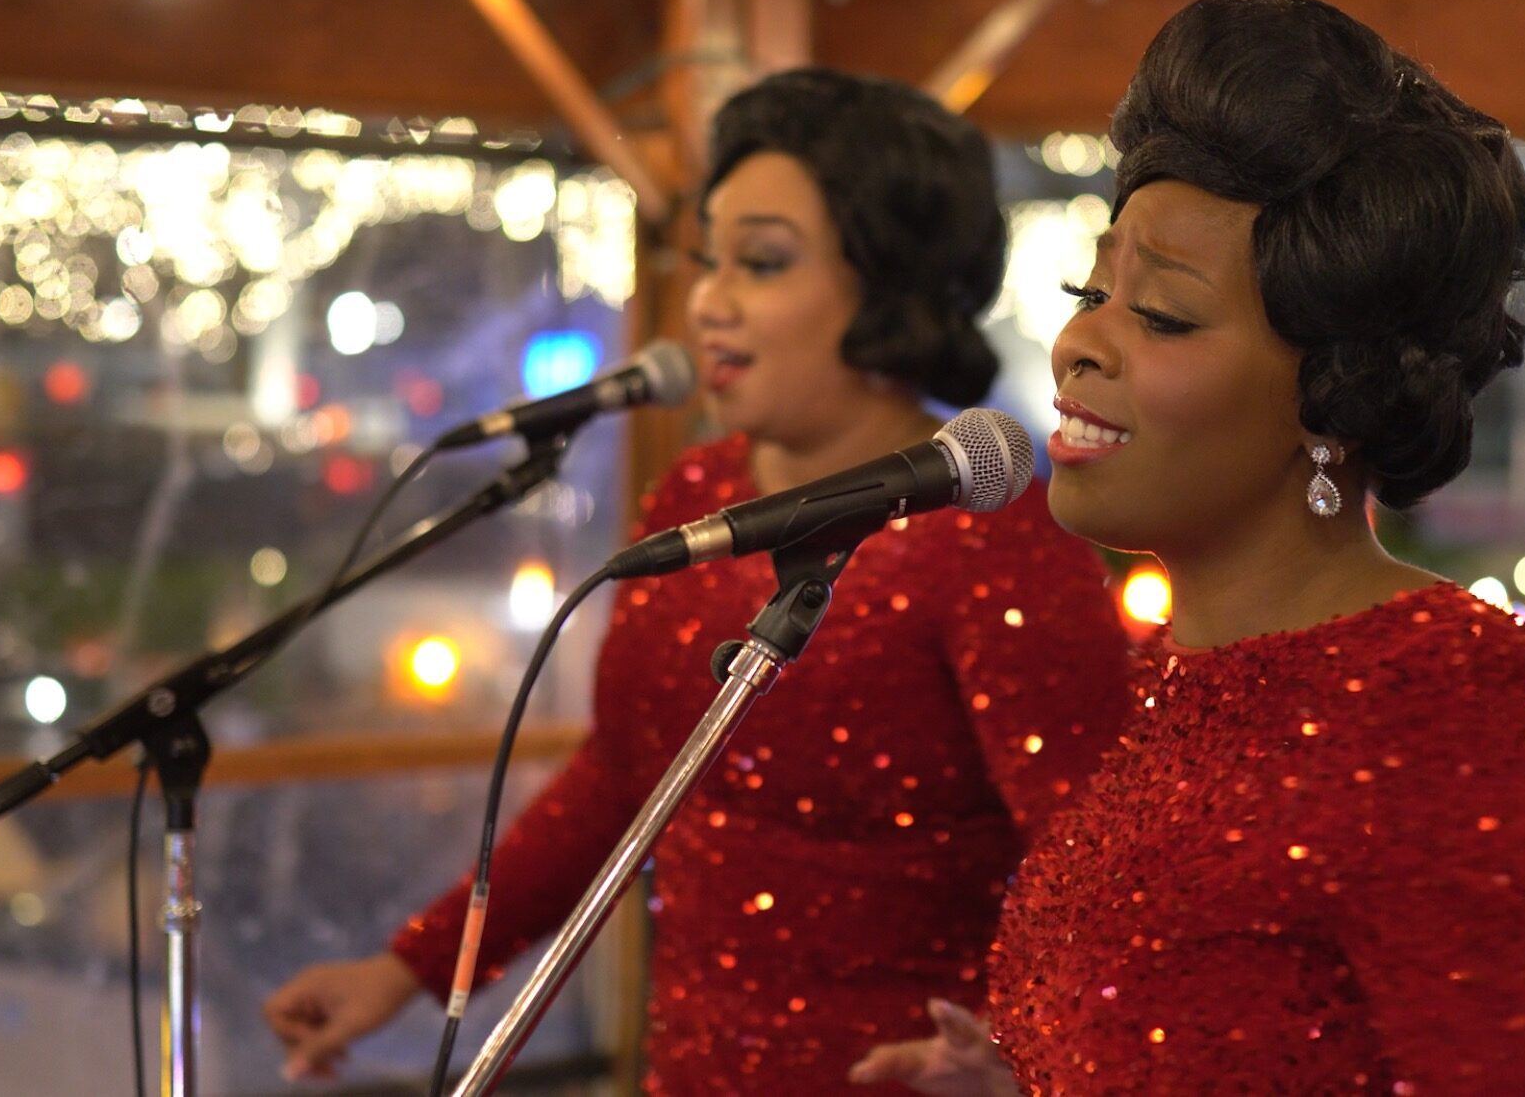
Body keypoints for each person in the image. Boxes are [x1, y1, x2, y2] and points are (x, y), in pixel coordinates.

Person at [264, 67, 1132, 1093]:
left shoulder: (994, 544)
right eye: (704, 259)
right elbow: (623, 780)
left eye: (760, 263)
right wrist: (412, 966)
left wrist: (1020, 1050)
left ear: (890, 284)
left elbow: (1103, 883)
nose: (706, 302)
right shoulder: (697, 492)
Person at [850, 0, 1525, 1095]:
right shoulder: (1175, 682)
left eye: (1157, 314)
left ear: (1329, 391)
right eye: (1090, 289)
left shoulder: (1438, 696)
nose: (1076, 343)